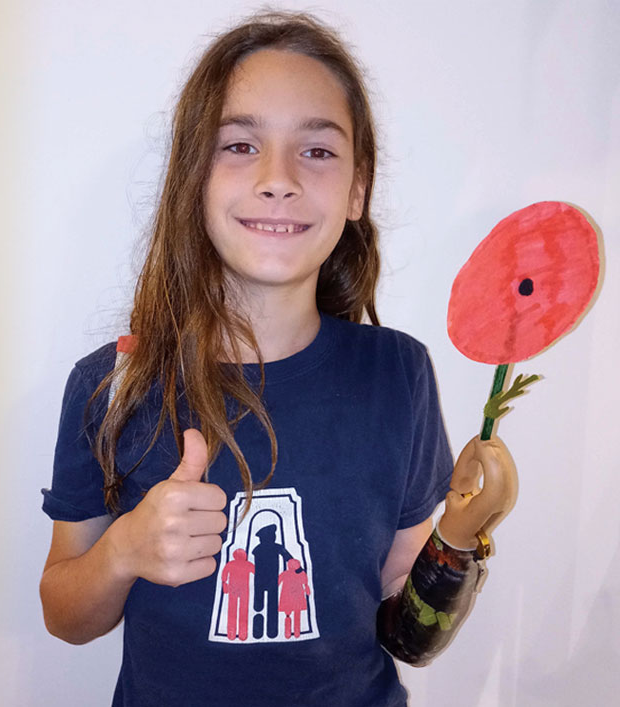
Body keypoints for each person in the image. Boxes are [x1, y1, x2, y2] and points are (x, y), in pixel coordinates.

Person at [40, 11, 516, 706]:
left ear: (358, 188)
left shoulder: (398, 376)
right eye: (239, 145)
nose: (278, 177)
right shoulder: (112, 385)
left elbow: (409, 635)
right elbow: (63, 613)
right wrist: (124, 551)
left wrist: (462, 535)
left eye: (317, 151)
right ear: (193, 177)